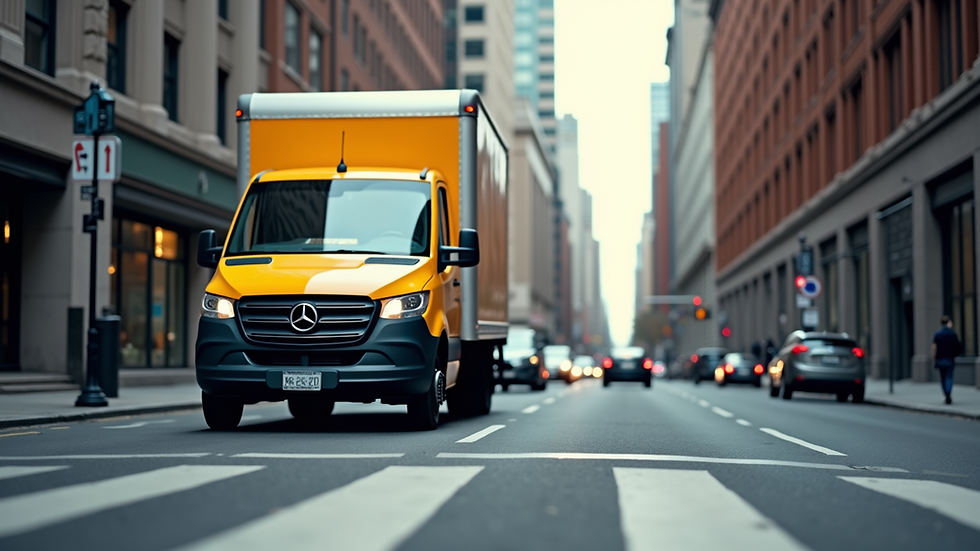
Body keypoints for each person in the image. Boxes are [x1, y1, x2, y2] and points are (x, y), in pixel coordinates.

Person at [931, 315, 961, 405]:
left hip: (940, 359)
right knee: (949, 377)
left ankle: (945, 393)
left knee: (943, 377)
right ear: (948, 322)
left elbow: (934, 347)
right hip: (950, 359)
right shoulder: (953, 334)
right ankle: (948, 393)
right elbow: (957, 346)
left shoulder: (937, 334)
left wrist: (933, 358)